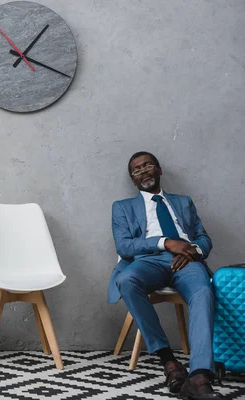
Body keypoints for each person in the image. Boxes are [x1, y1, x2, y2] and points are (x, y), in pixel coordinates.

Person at [109, 151, 222, 399]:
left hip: (187, 261)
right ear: (133, 179)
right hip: (149, 261)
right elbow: (124, 246)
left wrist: (192, 249)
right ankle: (169, 362)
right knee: (127, 280)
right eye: (136, 170)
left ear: (158, 170)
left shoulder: (183, 202)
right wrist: (166, 243)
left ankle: (200, 375)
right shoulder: (123, 208)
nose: (142, 171)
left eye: (147, 165)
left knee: (203, 292)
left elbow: (204, 238)